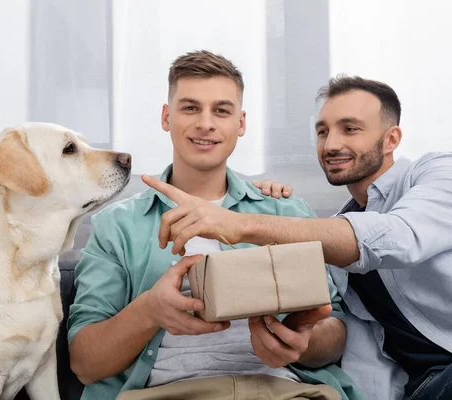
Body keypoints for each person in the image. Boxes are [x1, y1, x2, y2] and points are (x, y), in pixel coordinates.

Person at [144, 75, 452, 400]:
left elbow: (395, 237)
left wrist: (241, 222)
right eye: (322, 131)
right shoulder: (330, 233)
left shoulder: (444, 174)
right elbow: (331, 320)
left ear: (392, 138)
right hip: (425, 389)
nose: (331, 145)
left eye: (350, 129)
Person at [68, 51, 366, 400]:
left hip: (287, 392)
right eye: (190, 108)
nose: (205, 123)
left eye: (221, 111)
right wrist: (150, 310)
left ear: (241, 124)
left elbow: (335, 331)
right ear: (167, 117)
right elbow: (85, 364)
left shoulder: (285, 212)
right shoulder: (116, 226)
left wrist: (302, 339)